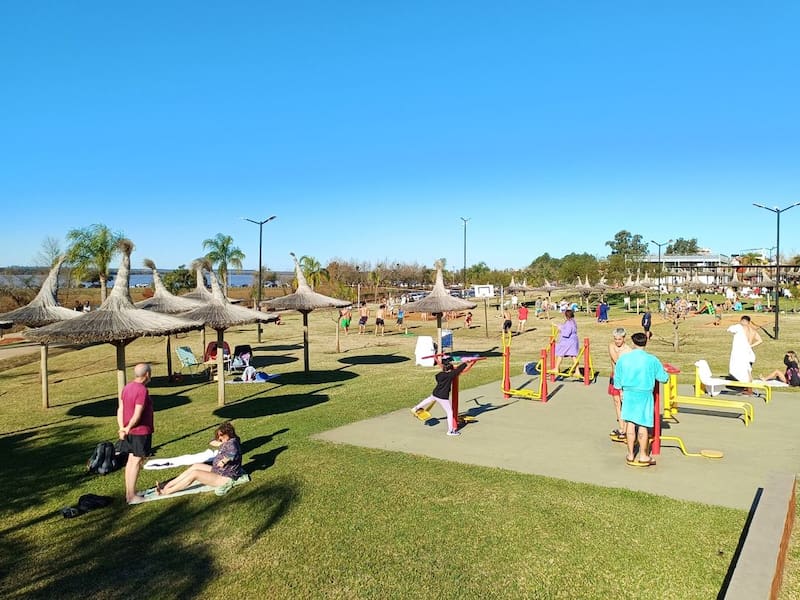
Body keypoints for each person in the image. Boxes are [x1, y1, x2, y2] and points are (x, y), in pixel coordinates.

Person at [613, 332, 668, 467]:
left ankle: (631, 454)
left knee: (630, 424)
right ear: (646, 343)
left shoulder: (624, 359)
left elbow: (617, 378)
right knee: (643, 425)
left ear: (633, 343)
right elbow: (663, 378)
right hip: (644, 394)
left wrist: (620, 390)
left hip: (629, 393)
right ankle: (643, 455)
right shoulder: (652, 360)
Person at [157, 422, 244, 496]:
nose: (219, 437)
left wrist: (223, 461)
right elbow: (214, 443)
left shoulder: (232, 444)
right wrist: (220, 442)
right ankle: (168, 485)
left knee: (195, 474)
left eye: (221, 435)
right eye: (218, 435)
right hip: (218, 471)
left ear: (228, 433)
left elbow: (233, 454)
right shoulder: (229, 441)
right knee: (195, 466)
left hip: (225, 477)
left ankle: (166, 491)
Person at [117, 363, 154, 505]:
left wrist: (123, 427)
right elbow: (137, 414)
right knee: (136, 461)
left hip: (130, 430)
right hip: (140, 431)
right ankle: (131, 496)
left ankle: (130, 493)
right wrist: (127, 428)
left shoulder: (127, 387)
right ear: (147, 375)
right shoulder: (142, 390)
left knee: (131, 460)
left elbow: (120, 409)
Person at [411, 357, 477, 436]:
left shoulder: (439, 375)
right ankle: (451, 431)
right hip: (442, 397)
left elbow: (451, 370)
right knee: (450, 413)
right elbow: (458, 370)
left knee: (428, 399)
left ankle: (415, 408)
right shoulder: (449, 376)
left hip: (435, 393)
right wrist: (466, 363)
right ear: (449, 370)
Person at [607, 328, 632, 441]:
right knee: (617, 402)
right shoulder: (611, 346)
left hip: (624, 379)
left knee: (625, 403)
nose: (617, 341)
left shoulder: (628, 350)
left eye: (619, 339)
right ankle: (621, 428)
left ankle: (627, 429)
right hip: (615, 377)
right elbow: (616, 359)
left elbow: (623, 364)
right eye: (615, 339)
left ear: (624, 338)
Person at [552, 309, 578, 375]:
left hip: (568, 341)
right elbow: (565, 327)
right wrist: (558, 326)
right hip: (573, 341)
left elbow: (566, 333)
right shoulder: (573, 321)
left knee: (560, 353)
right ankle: (577, 371)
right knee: (573, 356)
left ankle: (556, 368)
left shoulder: (569, 322)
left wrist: (560, 329)